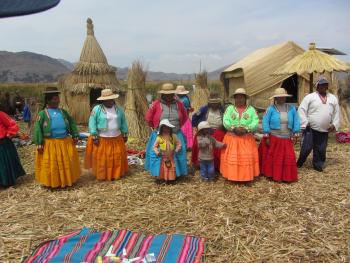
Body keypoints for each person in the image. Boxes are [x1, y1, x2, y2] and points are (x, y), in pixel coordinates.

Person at [34, 87, 80, 188]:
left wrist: (75, 134)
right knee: (53, 164)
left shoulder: (63, 112)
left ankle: (67, 180)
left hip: (64, 142)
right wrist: (39, 142)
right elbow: (37, 128)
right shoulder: (42, 114)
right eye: (55, 99)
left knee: (66, 163)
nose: (58, 101)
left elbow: (71, 122)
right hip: (50, 143)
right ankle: (53, 182)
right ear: (48, 100)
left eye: (58, 98)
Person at [145, 83, 188, 178]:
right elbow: (148, 118)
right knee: (158, 155)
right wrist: (156, 128)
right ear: (162, 94)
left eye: (170, 94)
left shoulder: (179, 104)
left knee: (178, 153)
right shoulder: (156, 104)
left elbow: (185, 117)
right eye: (166, 94)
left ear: (173, 94)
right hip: (160, 134)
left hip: (175, 133)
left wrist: (177, 127)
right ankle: (159, 174)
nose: (168, 96)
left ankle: (176, 174)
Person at [297, 76, 340, 172]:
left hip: (324, 129)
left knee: (321, 149)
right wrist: (305, 122)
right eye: (321, 85)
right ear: (317, 86)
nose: (324, 86)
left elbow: (337, 112)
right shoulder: (310, 97)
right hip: (310, 128)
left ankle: (318, 165)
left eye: (325, 85)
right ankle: (300, 162)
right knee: (306, 148)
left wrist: (334, 124)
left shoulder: (332, 98)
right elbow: (301, 109)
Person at [84, 89, 128, 181]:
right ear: (103, 100)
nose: (109, 101)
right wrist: (94, 135)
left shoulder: (118, 109)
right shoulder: (97, 109)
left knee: (116, 157)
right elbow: (92, 122)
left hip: (116, 137)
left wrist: (125, 133)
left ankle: (115, 174)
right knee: (103, 158)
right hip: (102, 138)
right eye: (107, 99)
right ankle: (103, 174)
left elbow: (123, 122)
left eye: (111, 99)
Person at [259, 88, 300, 182]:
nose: (281, 99)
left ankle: (286, 176)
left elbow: (296, 120)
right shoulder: (270, 109)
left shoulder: (292, 109)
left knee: (287, 157)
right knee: (275, 157)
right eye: (279, 97)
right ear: (275, 98)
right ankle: (273, 175)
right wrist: (267, 135)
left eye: (283, 97)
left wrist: (296, 132)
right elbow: (265, 121)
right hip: (274, 138)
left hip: (286, 138)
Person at [220, 88, 260, 182]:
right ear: (234, 99)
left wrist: (246, 129)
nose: (239, 100)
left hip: (246, 139)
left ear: (245, 98)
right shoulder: (229, 109)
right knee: (233, 158)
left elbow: (255, 121)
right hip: (232, 138)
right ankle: (232, 176)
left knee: (245, 158)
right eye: (237, 98)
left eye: (241, 97)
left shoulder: (251, 110)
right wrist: (234, 128)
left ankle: (246, 176)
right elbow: (225, 121)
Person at [191, 93, 226, 171]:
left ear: (219, 103)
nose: (214, 105)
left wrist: (223, 127)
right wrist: (196, 127)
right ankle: (200, 163)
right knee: (200, 139)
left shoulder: (223, 110)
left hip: (219, 130)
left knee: (219, 140)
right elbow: (194, 116)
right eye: (212, 103)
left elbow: (227, 120)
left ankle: (218, 165)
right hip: (205, 130)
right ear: (209, 103)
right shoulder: (204, 109)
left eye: (216, 103)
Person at [0, 110, 25, 187]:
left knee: (4, 163)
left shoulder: (1, 114)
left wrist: (9, 133)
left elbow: (11, 124)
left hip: (3, 144)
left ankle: (6, 181)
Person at [176, 85, 194, 149]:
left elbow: (186, 110)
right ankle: (183, 145)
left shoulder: (185, 99)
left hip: (184, 119)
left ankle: (185, 146)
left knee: (184, 132)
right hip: (181, 119)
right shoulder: (178, 98)